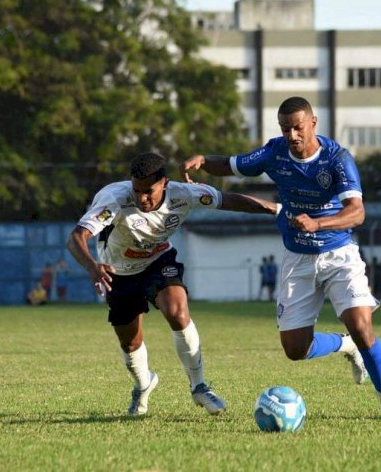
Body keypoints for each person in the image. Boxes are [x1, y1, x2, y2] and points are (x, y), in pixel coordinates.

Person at [180, 96, 381, 422]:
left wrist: (318, 223)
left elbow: (356, 213)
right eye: (285, 129)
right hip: (297, 258)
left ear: (313, 123)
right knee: (295, 350)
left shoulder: (337, 159)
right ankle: (347, 347)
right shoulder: (274, 152)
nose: (292, 135)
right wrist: (203, 161)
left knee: (361, 325)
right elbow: (232, 164)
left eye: (297, 127)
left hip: (338, 254)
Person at [66, 152, 279, 416]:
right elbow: (76, 237)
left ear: (165, 183)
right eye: (137, 190)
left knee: (177, 311)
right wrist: (92, 266)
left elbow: (229, 200)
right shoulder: (114, 199)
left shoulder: (184, 194)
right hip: (117, 272)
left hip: (158, 260)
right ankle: (144, 384)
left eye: (149, 192)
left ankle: (199, 386)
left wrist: (277, 209)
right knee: (130, 343)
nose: (141, 198)